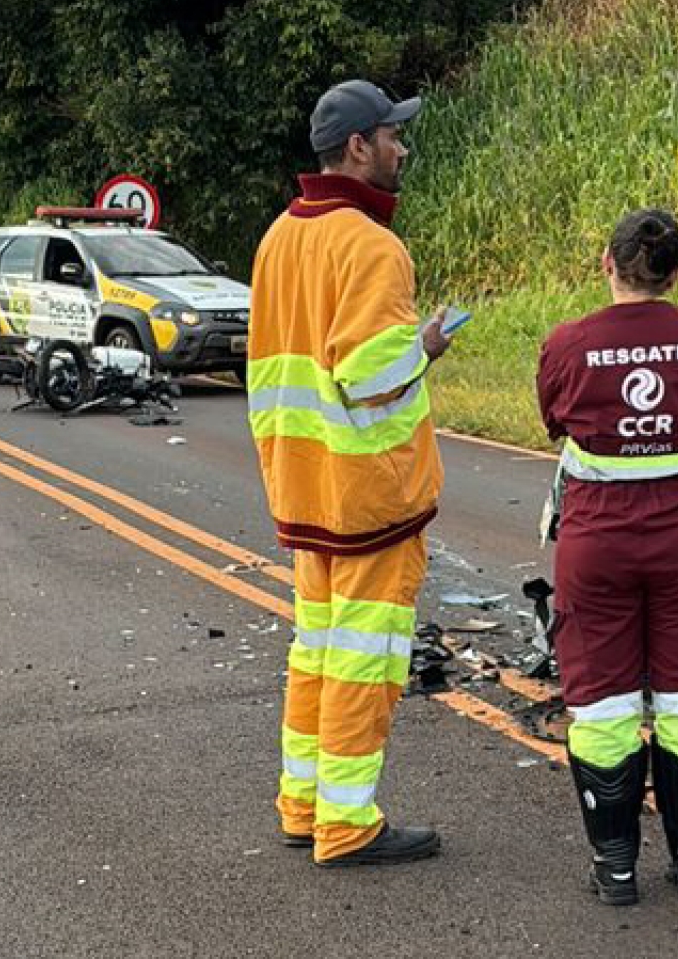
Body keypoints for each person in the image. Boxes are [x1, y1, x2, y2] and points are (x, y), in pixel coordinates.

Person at [248, 79, 453, 867]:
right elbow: (372, 378)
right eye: (393, 135)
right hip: (370, 498)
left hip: (304, 489)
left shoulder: (279, 239)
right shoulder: (370, 245)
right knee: (366, 662)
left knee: (319, 652)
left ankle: (302, 806)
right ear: (359, 146)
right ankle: (347, 823)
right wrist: (426, 348)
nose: (403, 148)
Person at [537, 209, 678, 905]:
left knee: (602, 702)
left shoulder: (567, 345)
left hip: (598, 545)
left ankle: (616, 867)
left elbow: (556, 422)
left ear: (606, 262)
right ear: (677, 271)